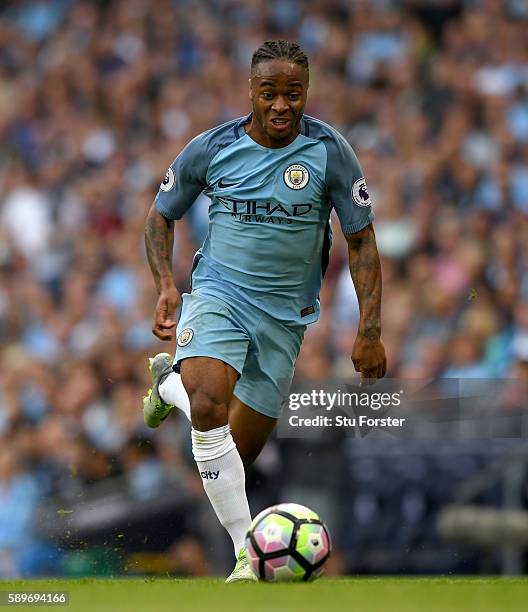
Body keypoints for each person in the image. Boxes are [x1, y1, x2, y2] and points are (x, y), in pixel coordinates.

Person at [143, 40, 386, 582]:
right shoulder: (212, 148)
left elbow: (362, 241)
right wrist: (165, 284)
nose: (281, 105)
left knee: (235, 452)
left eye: (293, 94)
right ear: (250, 91)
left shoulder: (330, 152)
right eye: (270, 93)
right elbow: (161, 215)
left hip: (285, 318)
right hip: (218, 296)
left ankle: (168, 389)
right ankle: (246, 559)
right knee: (209, 405)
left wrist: (369, 329)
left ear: (307, 93)